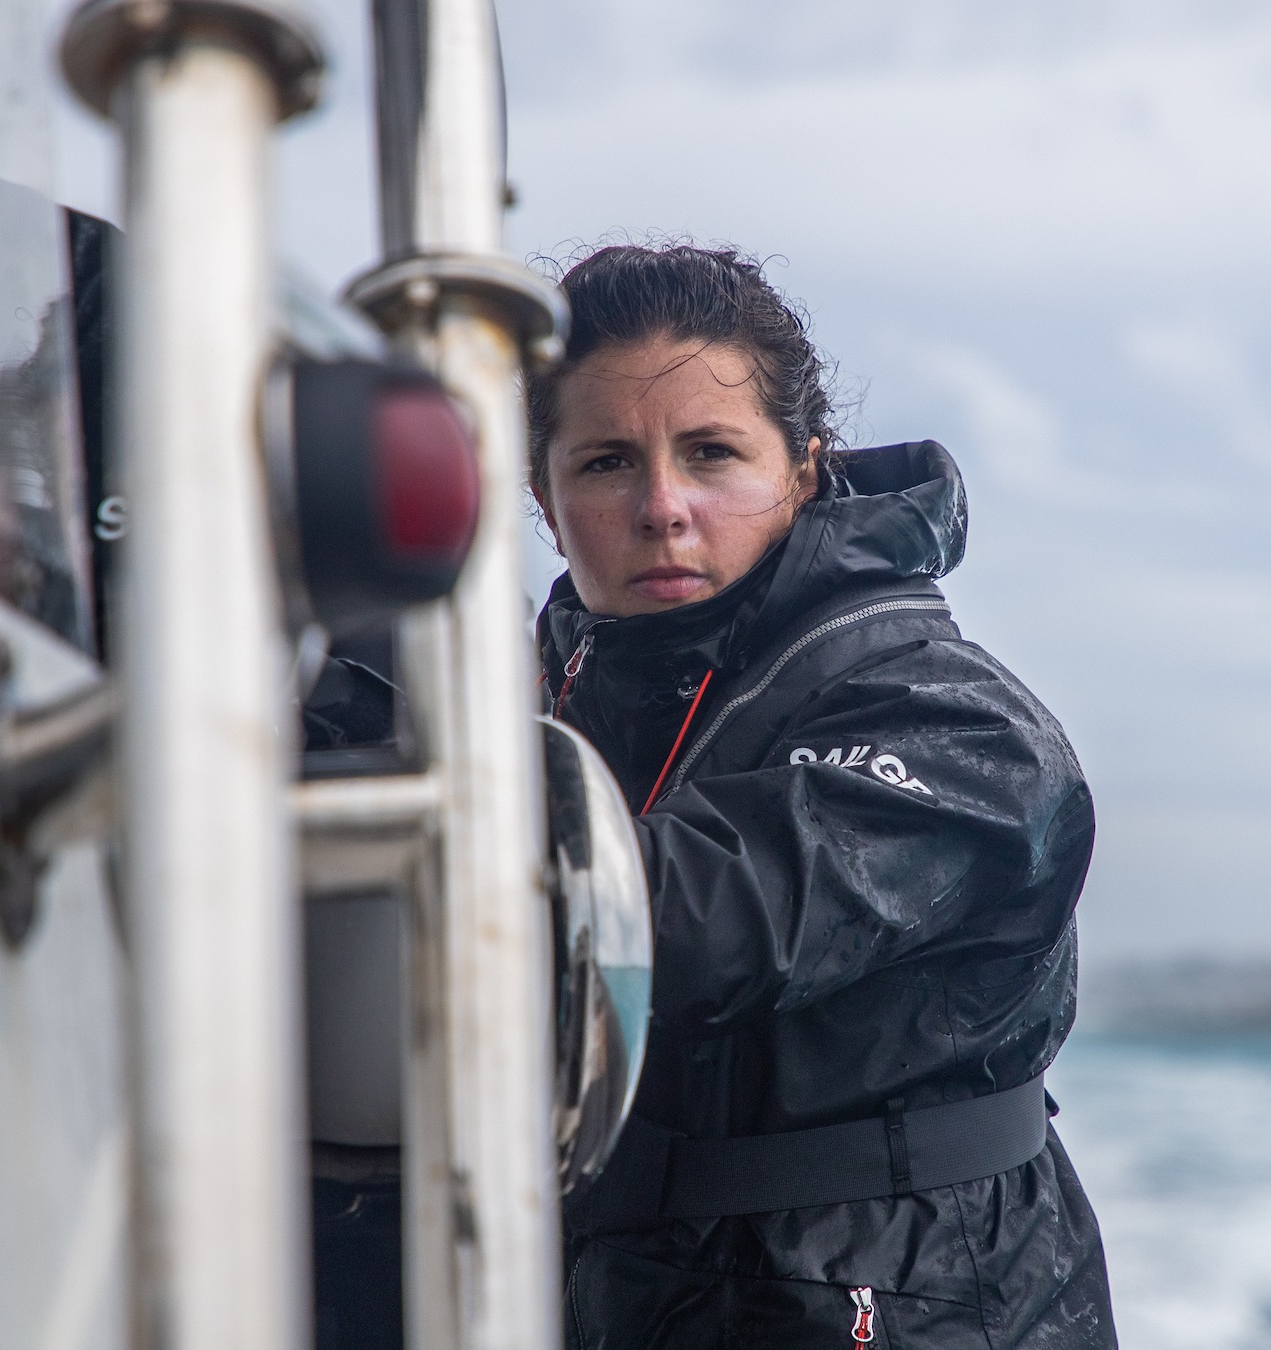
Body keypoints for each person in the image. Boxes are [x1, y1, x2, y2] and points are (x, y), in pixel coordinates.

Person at [532, 245, 1116, 1349]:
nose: (663, 507)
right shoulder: (534, 708)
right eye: (608, 462)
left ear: (803, 469)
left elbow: (701, 918)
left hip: (903, 1307)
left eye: (712, 454)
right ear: (545, 500)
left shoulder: (960, 726)